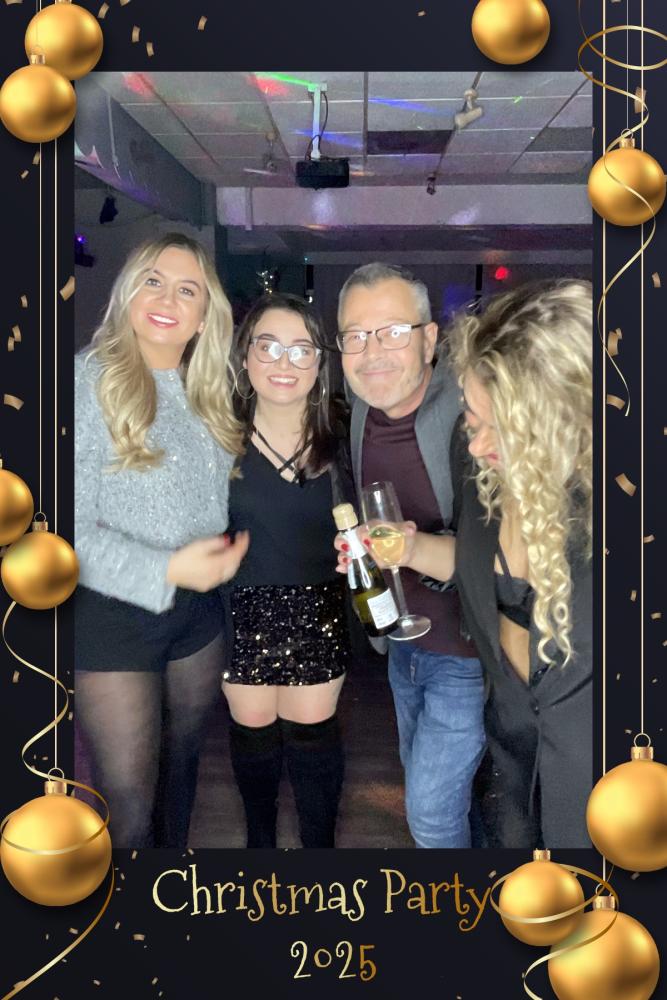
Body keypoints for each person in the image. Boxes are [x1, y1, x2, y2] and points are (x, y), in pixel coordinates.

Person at [345, 279, 593, 847]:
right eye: (473, 422)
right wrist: (408, 547)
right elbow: (470, 564)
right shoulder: (484, 473)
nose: (477, 444)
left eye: (497, 428)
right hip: (511, 766)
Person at [74, 233, 249, 848]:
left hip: (197, 617)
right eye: (153, 281)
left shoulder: (208, 391)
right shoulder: (87, 380)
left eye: (187, 289)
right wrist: (170, 567)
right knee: (126, 809)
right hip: (112, 617)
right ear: (128, 293)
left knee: (180, 776)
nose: (167, 299)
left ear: (205, 316)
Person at [336, 263, 484, 849]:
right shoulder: (360, 411)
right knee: (446, 797)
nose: (372, 352)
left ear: (428, 340)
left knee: (429, 814)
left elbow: (503, 560)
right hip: (403, 644)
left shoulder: (474, 414)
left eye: (393, 332)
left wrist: (413, 546)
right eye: (355, 336)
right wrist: (361, 548)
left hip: (468, 651)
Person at [223, 292, 353, 848]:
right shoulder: (215, 436)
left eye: (302, 350)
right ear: (245, 356)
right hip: (240, 612)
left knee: (313, 754)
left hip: (318, 611)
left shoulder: (344, 436)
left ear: (320, 364)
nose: (284, 362)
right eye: (269, 346)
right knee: (254, 758)